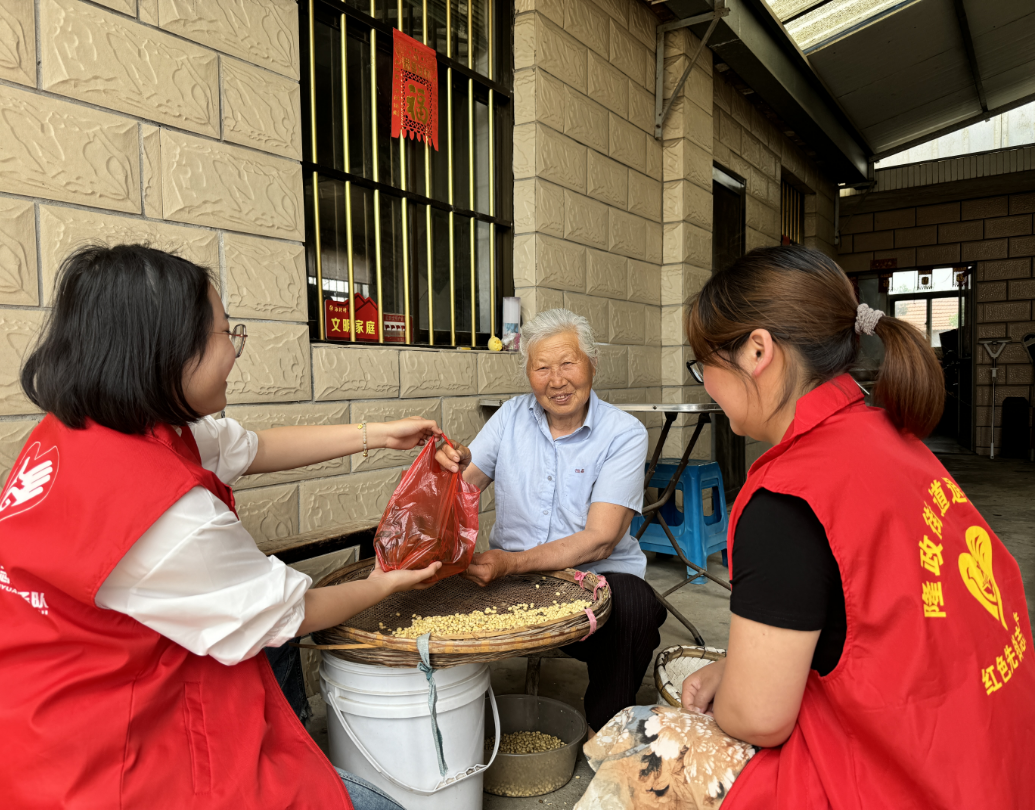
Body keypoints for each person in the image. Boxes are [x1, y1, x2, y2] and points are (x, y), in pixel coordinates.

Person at [0, 245, 437, 810]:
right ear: (163, 353)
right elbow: (287, 613)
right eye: (224, 336)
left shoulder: (94, 426)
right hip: (97, 766)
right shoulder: (162, 515)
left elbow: (249, 447)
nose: (235, 352)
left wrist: (378, 434)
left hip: (30, 724)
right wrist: (386, 582)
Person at [575, 245, 1035, 810]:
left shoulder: (788, 496)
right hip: (991, 761)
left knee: (636, 745)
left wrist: (740, 683)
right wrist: (737, 667)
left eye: (706, 367)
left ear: (758, 350)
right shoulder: (893, 437)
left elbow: (758, 719)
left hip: (901, 781)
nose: (706, 387)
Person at [435, 308, 667, 733]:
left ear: (592, 364)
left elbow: (600, 542)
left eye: (567, 363)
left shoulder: (624, 433)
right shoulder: (509, 418)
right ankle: (447, 728)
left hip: (590, 581)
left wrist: (511, 561)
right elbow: (464, 488)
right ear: (528, 372)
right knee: (427, 590)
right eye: (541, 367)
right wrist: (449, 468)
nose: (555, 380)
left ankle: (606, 730)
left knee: (635, 604)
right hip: (512, 585)